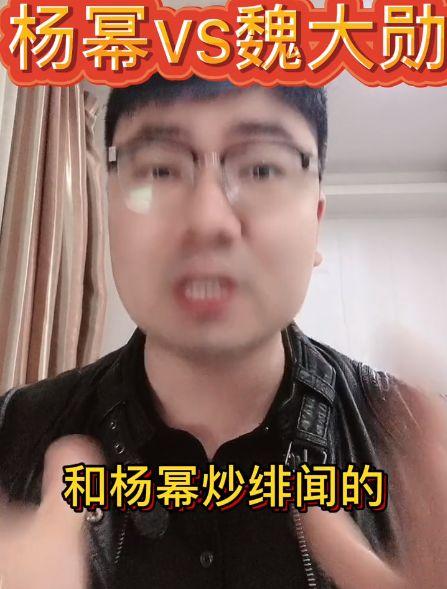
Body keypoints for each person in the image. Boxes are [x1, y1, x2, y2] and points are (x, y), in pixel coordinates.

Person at [0, 75, 446, 589]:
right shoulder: (12, 435)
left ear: (316, 221)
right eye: (161, 170)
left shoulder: (427, 453)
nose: (208, 219)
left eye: (262, 169)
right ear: (111, 212)